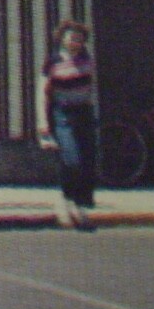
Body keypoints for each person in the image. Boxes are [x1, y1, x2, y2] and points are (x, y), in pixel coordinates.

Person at [42, 20, 98, 212]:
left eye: (79, 38)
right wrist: (43, 123)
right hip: (64, 113)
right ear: (62, 38)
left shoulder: (87, 59)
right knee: (71, 157)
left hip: (85, 111)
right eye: (72, 37)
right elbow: (43, 92)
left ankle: (82, 201)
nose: (75, 41)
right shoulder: (53, 61)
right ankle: (68, 195)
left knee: (88, 157)